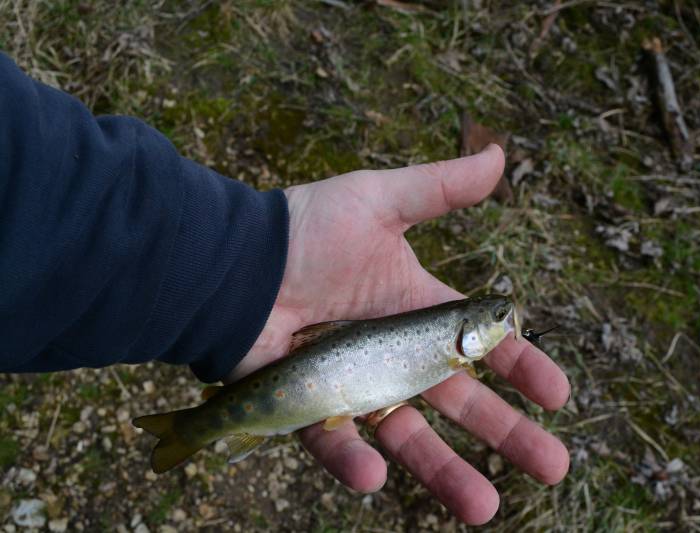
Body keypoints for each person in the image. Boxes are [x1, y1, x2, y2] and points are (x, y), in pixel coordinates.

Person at [0, 52, 570, 525]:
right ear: (469, 332)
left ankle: (194, 427)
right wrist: (249, 263)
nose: (504, 323)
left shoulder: (453, 352)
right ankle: (192, 427)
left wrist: (236, 269)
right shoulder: (452, 348)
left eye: (498, 319)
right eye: (497, 319)